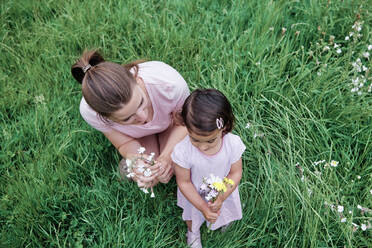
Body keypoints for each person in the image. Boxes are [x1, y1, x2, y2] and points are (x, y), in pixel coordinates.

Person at [71, 50, 190, 187]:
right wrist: (135, 158)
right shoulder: (91, 112)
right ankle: (132, 163)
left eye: (141, 102)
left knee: (176, 164)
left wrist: (167, 157)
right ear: (105, 117)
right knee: (149, 175)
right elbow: (124, 143)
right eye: (127, 118)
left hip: (172, 123)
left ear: (137, 80)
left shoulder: (170, 85)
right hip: (136, 136)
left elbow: (184, 123)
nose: (143, 116)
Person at [172, 89, 245, 248]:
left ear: (224, 128)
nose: (203, 147)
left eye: (210, 141)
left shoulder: (232, 144)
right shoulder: (183, 151)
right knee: (192, 215)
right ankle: (193, 233)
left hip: (223, 188)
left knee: (224, 207)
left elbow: (236, 172)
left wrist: (221, 197)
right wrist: (203, 207)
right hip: (194, 192)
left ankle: (223, 220)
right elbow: (184, 183)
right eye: (195, 139)